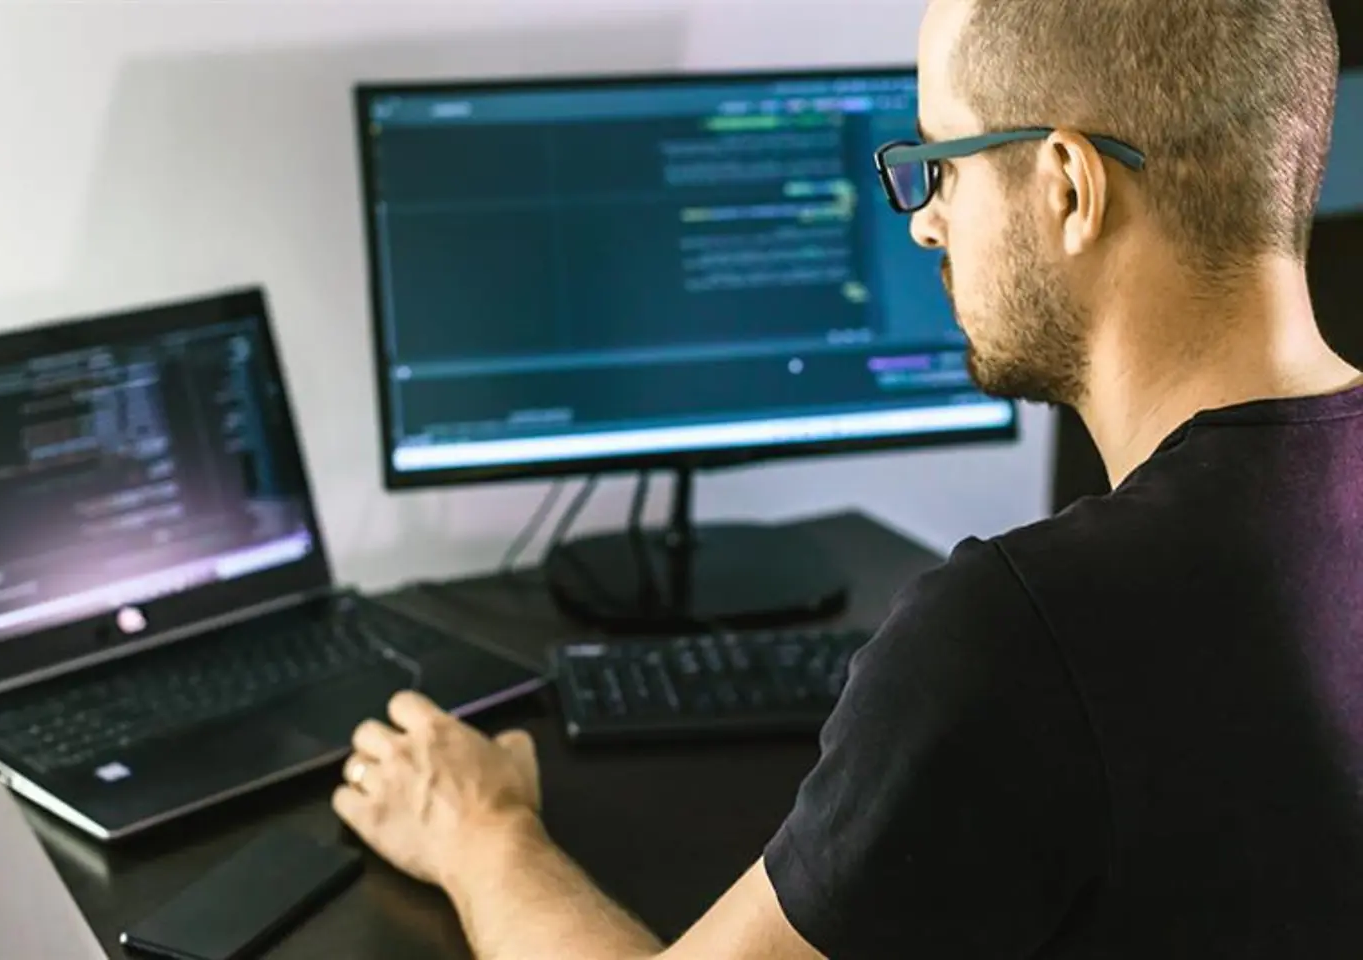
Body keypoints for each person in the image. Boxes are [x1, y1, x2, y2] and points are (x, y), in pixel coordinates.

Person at [332, 0, 1363, 955]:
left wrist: (481, 831)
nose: (923, 222)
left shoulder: (1021, 634)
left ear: (1067, 187)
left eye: (941, 164)